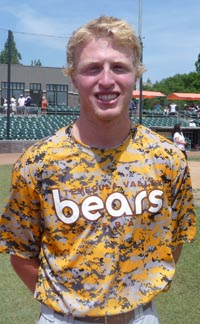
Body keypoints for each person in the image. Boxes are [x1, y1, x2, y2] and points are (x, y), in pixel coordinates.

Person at [0, 16, 196, 324]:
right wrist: (67, 306)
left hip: (140, 317)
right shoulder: (39, 160)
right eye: (92, 68)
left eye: (119, 67)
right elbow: (20, 252)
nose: (107, 80)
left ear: (136, 75)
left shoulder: (167, 159)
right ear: (74, 79)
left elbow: (174, 241)